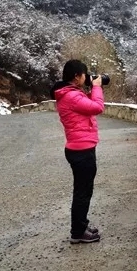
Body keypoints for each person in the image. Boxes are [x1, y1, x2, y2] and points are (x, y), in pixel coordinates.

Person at [51, 59, 104, 244]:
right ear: (76, 76)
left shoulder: (71, 94)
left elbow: (86, 108)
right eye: (84, 74)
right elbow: (97, 108)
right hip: (82, 151)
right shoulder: (71, 96)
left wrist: (90, 89)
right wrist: (97, 87)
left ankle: (81, 224)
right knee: (83, 192)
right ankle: (78, 232)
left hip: (81, 148)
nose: (86, 77)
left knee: (83, 190)